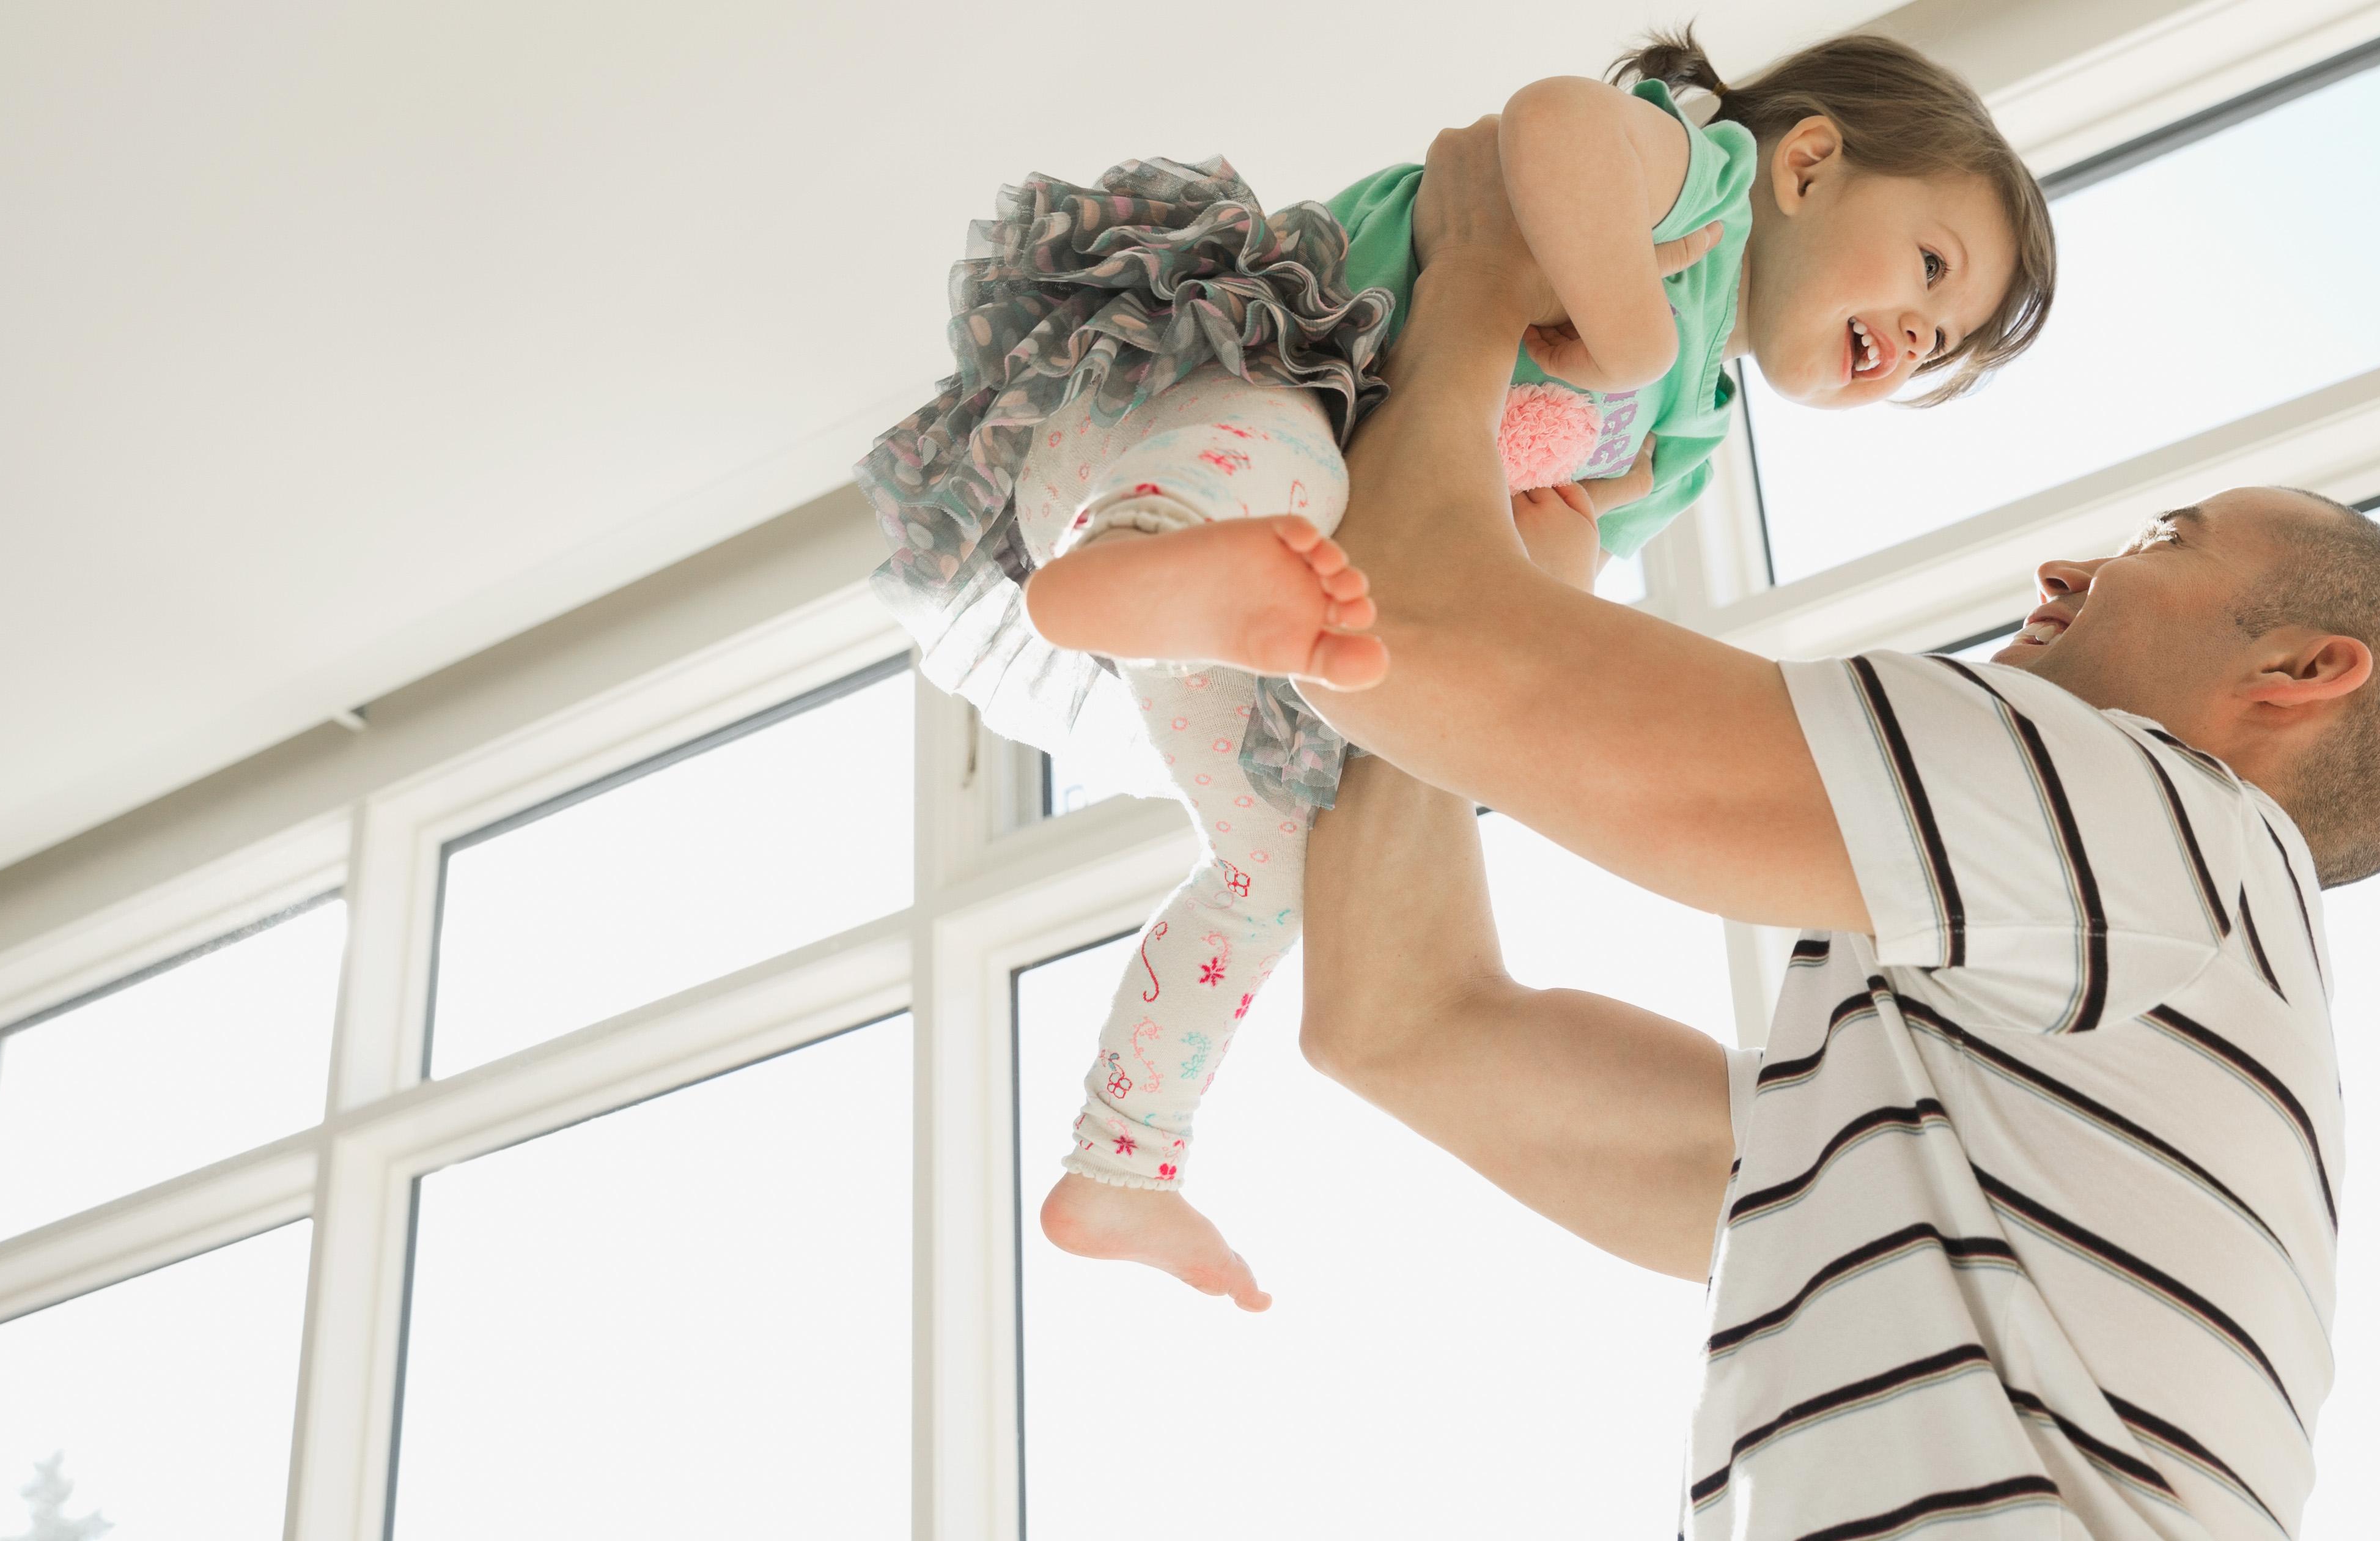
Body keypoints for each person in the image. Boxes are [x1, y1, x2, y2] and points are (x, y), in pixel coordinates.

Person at [1287, 120, 2380, 1539]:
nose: (2067, 566)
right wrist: (1482, 546)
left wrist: (1480, 292)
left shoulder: (2170, 829)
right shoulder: (1961, 1100)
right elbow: (1398, 1018)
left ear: (2301, 675)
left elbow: (1413, 628)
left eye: (2168, 540)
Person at [855, 31, 2061, 1309]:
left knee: (1272, 872)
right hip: (1208, 392)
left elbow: (1523, 593)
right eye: (1934, 266)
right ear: (1810, 165)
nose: (1922, 329)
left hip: (1251, 569)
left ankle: (1123, 1158)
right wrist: (1632, 335)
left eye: (1943, 344)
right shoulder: (1697, 179)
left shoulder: (1694, 433)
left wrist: (1568, 543)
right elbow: (1551, 124)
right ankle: (1128, 561)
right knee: (1302, 461)